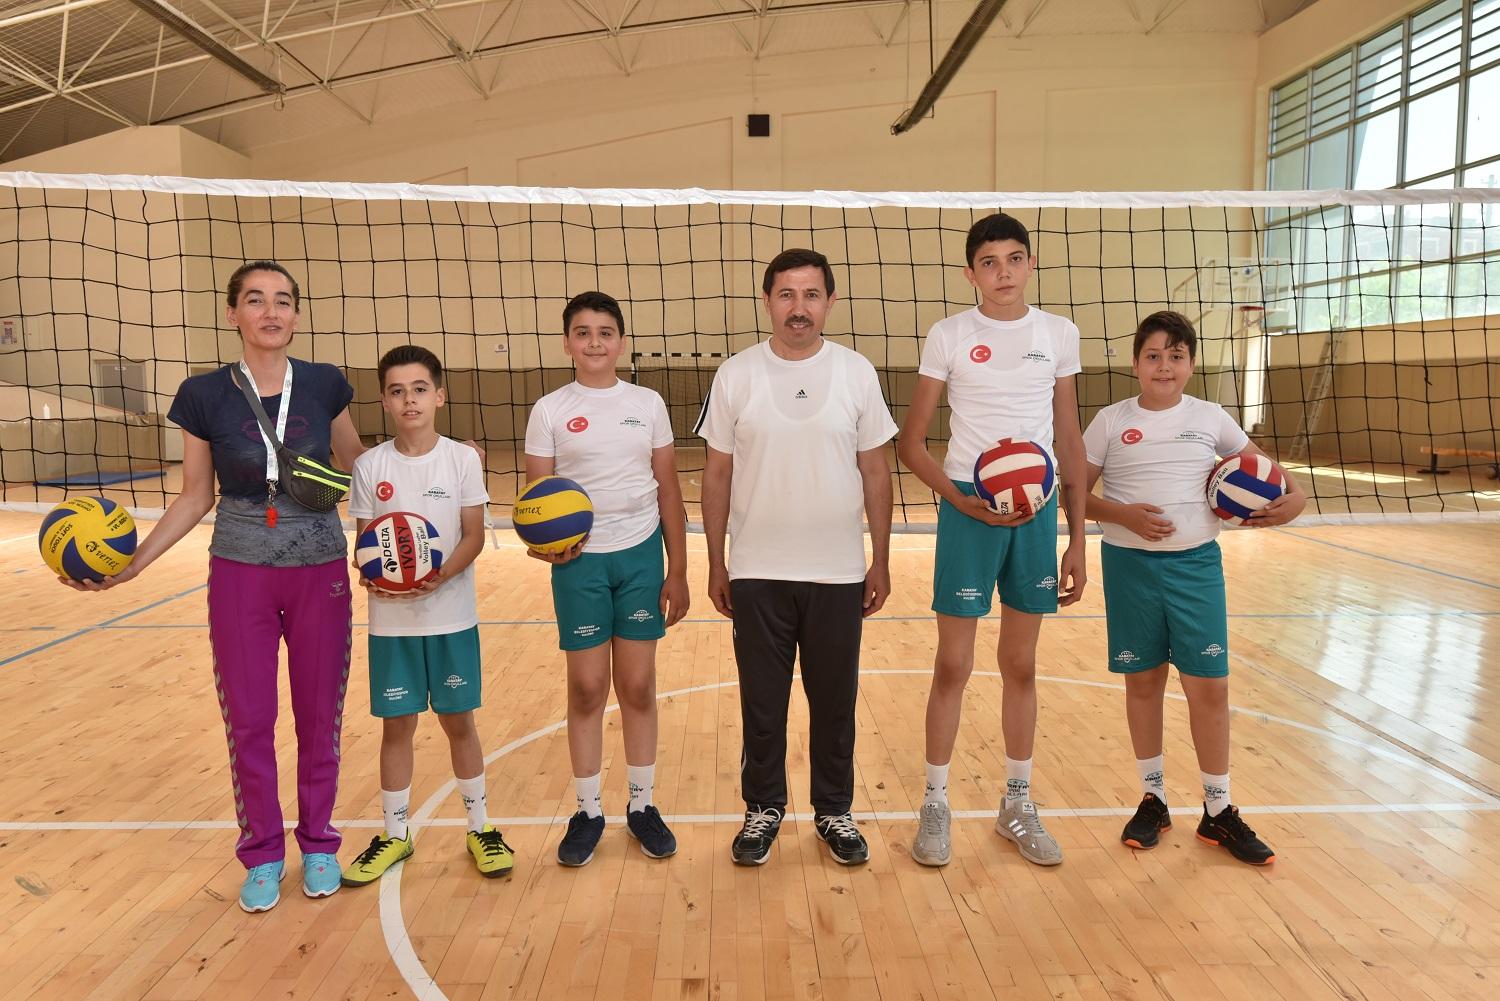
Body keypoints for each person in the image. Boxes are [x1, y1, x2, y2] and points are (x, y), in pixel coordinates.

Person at [62, 261, 363, 911]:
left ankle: (319, 845)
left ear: (296, 314)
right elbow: (196, 494)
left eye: (283, 300)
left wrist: (428, 473)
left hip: (319, 572)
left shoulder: (324, 383)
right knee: (249, 721)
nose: (271, 311)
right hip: (239, 575)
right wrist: (134, 564)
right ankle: (262, 853)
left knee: (320, 719)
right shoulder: (203, 394)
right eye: (255, 299)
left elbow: (360, 469)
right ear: (233, 314)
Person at [697, 248, 897, 867]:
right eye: (786, 294)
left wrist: (881, 558)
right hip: (757, 571)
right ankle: (763, 809)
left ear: (830, 302)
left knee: (834, 703)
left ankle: (834, 810)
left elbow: (876, 470)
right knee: (763, 704)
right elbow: (716, 474)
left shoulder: (857, 372)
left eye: (811, 295)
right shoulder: (735, 375)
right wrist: (716, 562)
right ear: (767, 302)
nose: (799, 308)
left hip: (837, 572)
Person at [1083, 310, 1304, 865]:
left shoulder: (1210, 417)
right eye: (1153, 356)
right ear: (1135, 363)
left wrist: (1293, 500)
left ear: (1191, 363)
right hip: (1129, 566)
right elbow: (1074, 495)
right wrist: (1122, 515)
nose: (1164, 366)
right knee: (1143, 683)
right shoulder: (1110, 421)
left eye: (1176, 356)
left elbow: (1271, 474)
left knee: (1210, 687)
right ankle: (1153, 798)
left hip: (1196, 568)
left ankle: (1218, 809)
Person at [900, 213, 1087, 868]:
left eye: (1014, 258)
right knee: (953, 664)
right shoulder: (949, 335)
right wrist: (959, 502)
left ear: (1031, 263)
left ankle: (1016, 803)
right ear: (970, 273)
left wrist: (1077, 539)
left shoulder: (1058, 334)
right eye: (989, 262)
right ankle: (935, 802)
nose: (1002, 272)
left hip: (1037, 513)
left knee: (1021, 664)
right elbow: (911, 443)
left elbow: (1070, 440)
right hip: (968, 507)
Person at [524, 291, 689, 866]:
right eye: (583, 332)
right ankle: (588, 811)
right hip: (580, 562)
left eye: (605, 332)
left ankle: (642, 805)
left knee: (638, 686)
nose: (594, 342)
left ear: (621, 342)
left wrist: (678, 570)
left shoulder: (646, 403)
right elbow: (536, 498)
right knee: (588, 688)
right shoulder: (549, 410)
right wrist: (545, 547)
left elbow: (669, 488)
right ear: (567, 343)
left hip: (640, 555)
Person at [341, 345, 516, 886]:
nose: (409, 400)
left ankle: (481, 827)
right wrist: (372, 573)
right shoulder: (370, 466)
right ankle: (395, 834)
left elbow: (473, 535)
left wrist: (438, 575)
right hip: (391, 623)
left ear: (439, 396)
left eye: (419, 389)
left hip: (450, 616)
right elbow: (366, 544)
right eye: (397, 391)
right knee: (396, 727)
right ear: (384, 401)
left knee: (459, 723)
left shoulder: (461, 460)